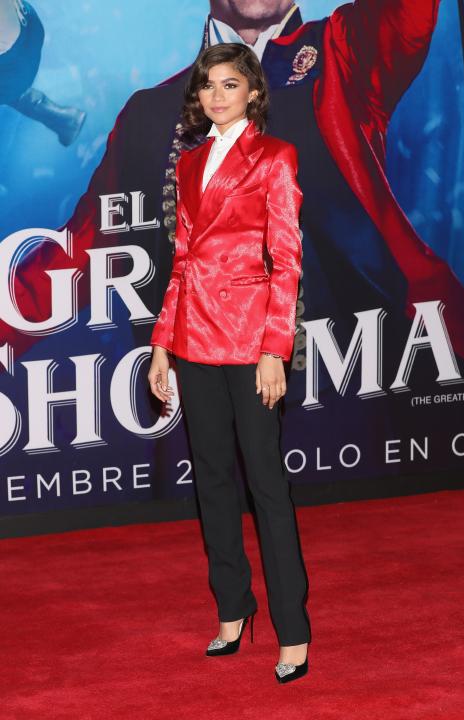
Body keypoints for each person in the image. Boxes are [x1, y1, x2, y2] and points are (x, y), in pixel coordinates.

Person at [148, 43, 311, 684]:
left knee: (266, 485)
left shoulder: (275, 157)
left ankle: (293, 631)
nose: (217, 95)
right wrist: (162, 343)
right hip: (193, 338)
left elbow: (287, 261)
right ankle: (233, 608)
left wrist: (274, 349)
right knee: (212, 481)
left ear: (253, 92)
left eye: (230, 84)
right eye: (208, 85)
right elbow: (182, 260)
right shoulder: (188, 163)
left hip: (249, 341)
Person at [0, 0, 86, 146]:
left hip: (16, 66)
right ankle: (65, 121)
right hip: (29, 24)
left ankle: (65, 120)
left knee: (7, 87)